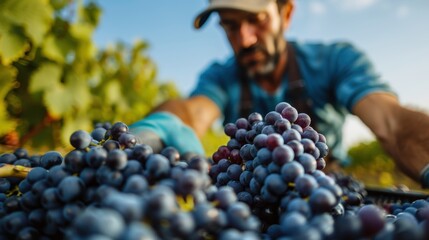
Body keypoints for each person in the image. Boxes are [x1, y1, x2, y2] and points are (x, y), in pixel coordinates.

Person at [129, 0, 429, 188]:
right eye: (231, 26)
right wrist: (164, 121)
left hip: (329, 190)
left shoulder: (334, 61)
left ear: (286, 13)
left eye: (256, 20)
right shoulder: (220, 76)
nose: (244, 39)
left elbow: (391, 121)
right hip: (255, 193)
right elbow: (194, 110)